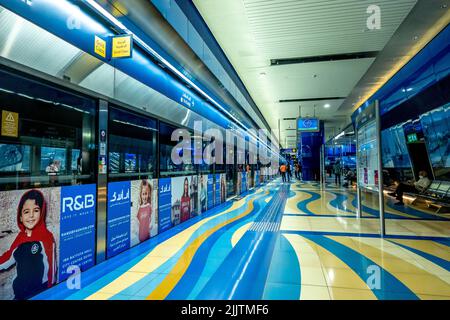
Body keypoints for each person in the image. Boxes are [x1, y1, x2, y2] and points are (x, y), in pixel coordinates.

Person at [0, 189, 56, 300]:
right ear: (20, 217)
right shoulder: (20, 237)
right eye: (26, 212)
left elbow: (52, 268)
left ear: (41, 213)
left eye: (36, 210)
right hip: (19, 295)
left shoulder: (46, 237)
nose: (31, 215)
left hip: (40, 293)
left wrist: (51, 292)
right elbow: (9, 257)